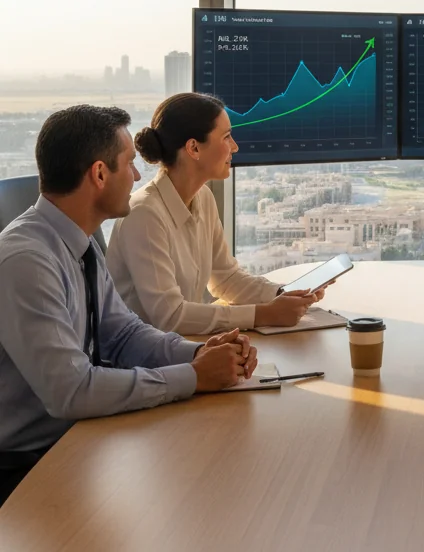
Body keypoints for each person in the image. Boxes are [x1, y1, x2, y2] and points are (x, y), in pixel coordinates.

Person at [0, 105, 257, 507]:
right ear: (100, 175)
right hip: (26, 470)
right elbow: (72, 390)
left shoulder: (80, 245)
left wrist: (200, 353)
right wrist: (192, 377)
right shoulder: (27, 261)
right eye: (129, 165)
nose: (138, 176)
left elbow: (122, 335)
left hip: (80, 439)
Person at [107, 93, 324, 335]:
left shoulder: (203, 198)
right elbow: (170, 316)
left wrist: (285, 294)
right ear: (194, 148)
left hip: (181, 348)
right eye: (227, 137)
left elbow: (226, 279)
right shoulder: (144, 215)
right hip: (147, 362)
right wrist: (264, 314)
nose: (235, 147)